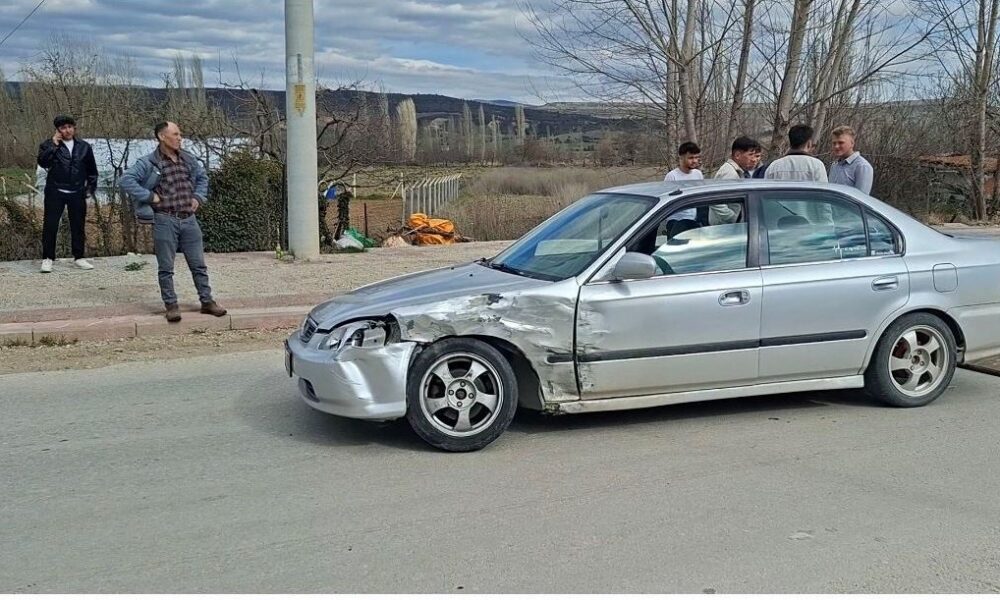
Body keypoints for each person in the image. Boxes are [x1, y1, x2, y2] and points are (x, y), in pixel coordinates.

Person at [120, 121, 227, 323]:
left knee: (199, 265)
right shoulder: (148, 162)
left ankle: (207, 301)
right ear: (162, 137)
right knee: (166, 268)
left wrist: (198, 197)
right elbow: (126, 180)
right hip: (165, 220)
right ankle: (171, 306)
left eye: (180, 134)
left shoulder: (188, 159)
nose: (180, 138)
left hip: (189, 220)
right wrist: (149, 196)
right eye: (175, 134)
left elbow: (203, 178)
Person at [36, 115, 98, 273]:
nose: (67, 130)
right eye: (63, 128)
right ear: (58, 130)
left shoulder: (84, 147)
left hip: (77, 192)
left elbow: (92, 171)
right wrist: (54, 145)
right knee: (50, 225)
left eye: (70, 127)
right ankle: (48, 258)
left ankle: (79, 257)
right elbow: (43, 162)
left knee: (78, 225)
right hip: (55, 192)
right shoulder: (48, 145)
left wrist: (89, 190)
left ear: (74, 128)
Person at [710, 136, 762, 224]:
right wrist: (733, 218)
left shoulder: (738, 171)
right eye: (750, 155)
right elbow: (714, 200)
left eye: (755, 156)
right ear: (737, 155)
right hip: (724, 228)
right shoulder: (730, 173)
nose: (754, 160)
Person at [663, 142, 703, 230]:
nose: (694, 161)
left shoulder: (698, 174)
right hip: (675, 221)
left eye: (696, 157)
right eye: (691, 158)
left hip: (693, 220)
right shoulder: (672, 176)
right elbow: (666, 202)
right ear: (681, 157)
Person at [828, 125, 874, 194]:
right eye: (834, 143)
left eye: (841, 143)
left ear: (852, 143)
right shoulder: (834, 165)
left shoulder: (862, 166)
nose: (836, 146)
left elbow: (861, 197)